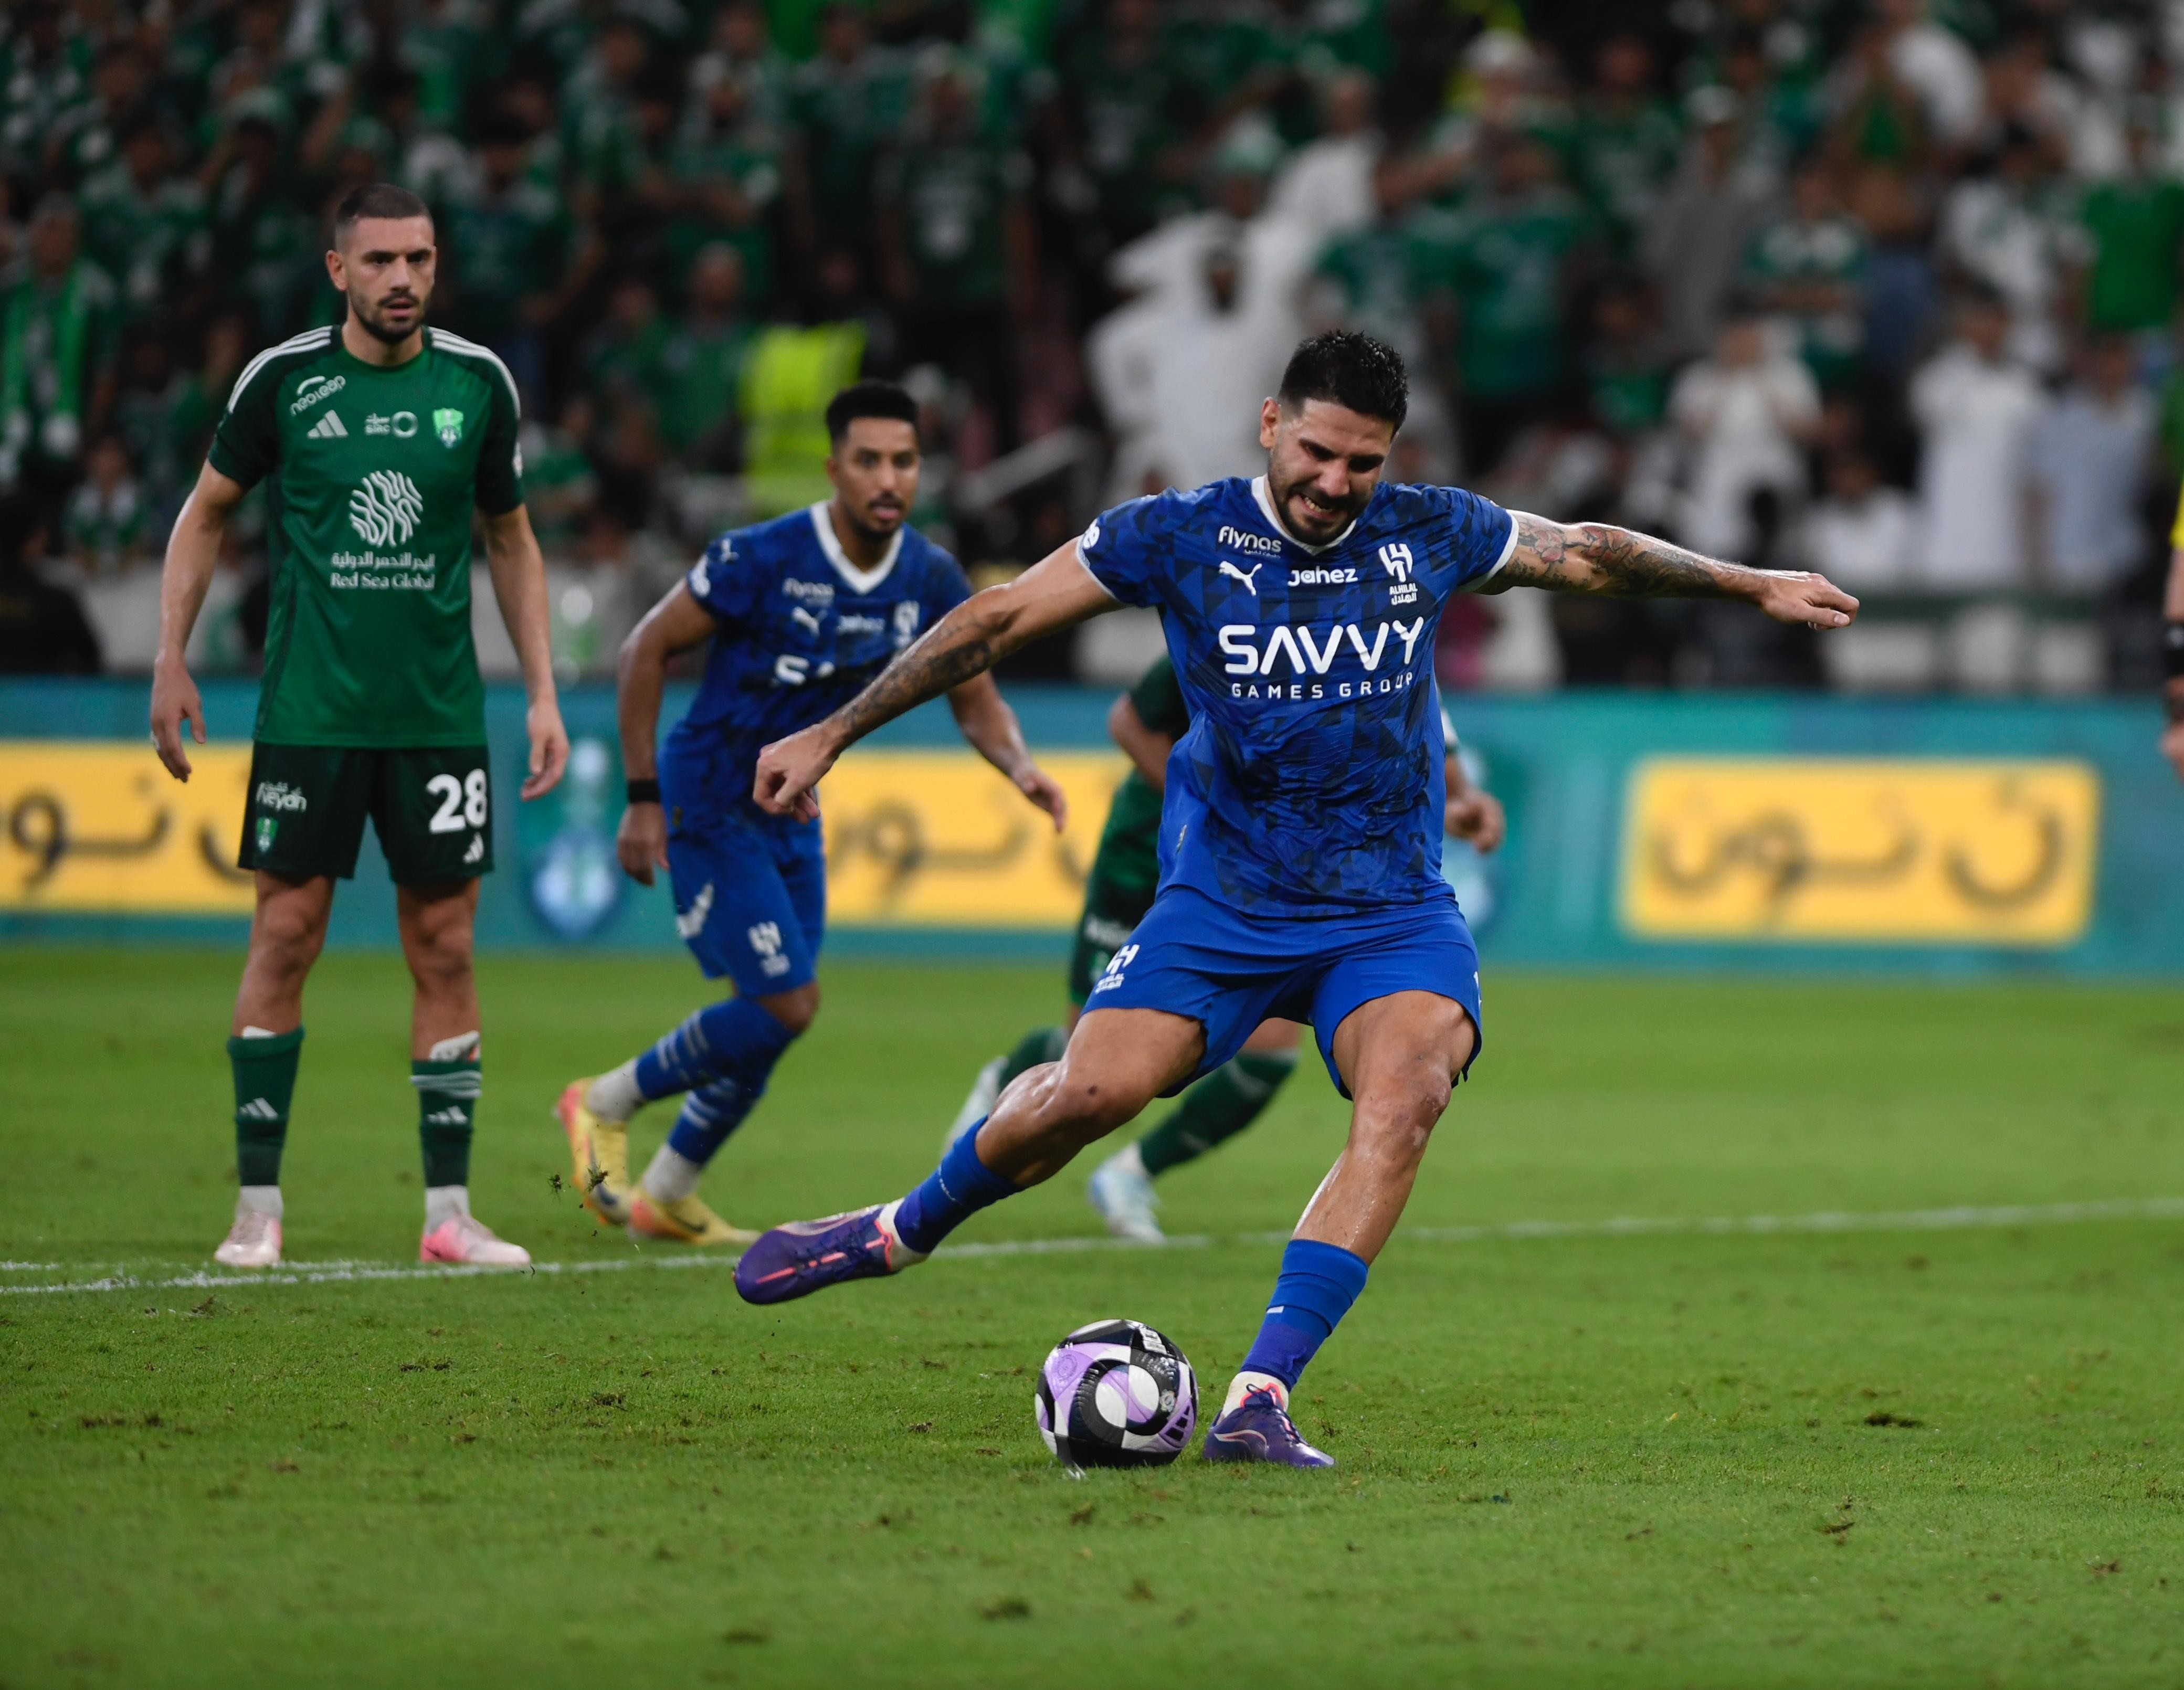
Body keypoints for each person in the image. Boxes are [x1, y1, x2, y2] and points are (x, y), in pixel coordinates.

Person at [729, 331, 1858, 1466]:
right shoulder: (1176, 534)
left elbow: (1584, 551)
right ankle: (897, 1229)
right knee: (1087, 1094)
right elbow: (999, 617)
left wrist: (1749, 582)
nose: (1334, 482)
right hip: (1223, 902)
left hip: (1388, 908)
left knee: (1408, 1095)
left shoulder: (1432, 530)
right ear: (1271, 423)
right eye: (1317, 452)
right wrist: (832, 731)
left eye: (1362, 463)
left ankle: (1259, 1396)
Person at [149, 183, 569, 1272]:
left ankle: (449, 1214)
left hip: (437, 719)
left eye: (419, 258)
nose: (402, 279)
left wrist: (541, 692)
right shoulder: (284, 381)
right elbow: (206, 513)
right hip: (310, 716)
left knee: (447, 946)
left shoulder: (477, 384)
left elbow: (511, 538)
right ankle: (257, 1208)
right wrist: (170, 655)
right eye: (379, 260)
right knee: (286, 937)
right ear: (338, 269)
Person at [554, 379, 1066, 1247]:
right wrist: (641, 800)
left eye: (904, 461)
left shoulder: (928, 575)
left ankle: (668, 1191)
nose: (888, 479)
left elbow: (974, 698)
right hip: (712, 795)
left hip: (792, 810)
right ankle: (603, 1099)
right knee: (786, 1003)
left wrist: (1020, 767)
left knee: (779, 1009)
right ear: (833, 469)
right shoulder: (761, 556)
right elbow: (645, 649)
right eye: (868, 461)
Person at [948, 653, 1506, 1242]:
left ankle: (1132, 1173)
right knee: (1087, 1059)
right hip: (1149, 854)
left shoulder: (1389, 642)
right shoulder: (1237, 627)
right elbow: (1130, 723)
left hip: (1259, 880)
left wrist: (1464, 802)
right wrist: (1213, 810)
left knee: (1267, 1057)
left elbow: (1433, 744)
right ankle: (1000, 1085)